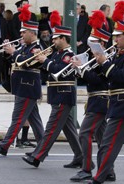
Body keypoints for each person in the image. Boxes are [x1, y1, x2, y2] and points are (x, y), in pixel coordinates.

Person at [76, 0, 124, 184]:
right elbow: (108, 75)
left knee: (107, 145)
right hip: (118, 103)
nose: (115, 39)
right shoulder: (120, 54)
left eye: (118, 36)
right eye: (115, 36)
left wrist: (105, 63)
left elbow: (121, 77)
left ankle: (97, 181)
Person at [23, 21, 83, 168]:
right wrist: (39, 61)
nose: (53, 41)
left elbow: (58, 71)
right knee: (69, 130)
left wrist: (46, 61)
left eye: (56, 38)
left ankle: (38, 156)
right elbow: (49, 71)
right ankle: (80, 157)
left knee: (51, 128)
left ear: (63, 38)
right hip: (57, 94)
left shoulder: (69, 56)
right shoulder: (57, 54)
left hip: (64, 95)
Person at [0, 19, 44, 156]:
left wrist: (14, 52)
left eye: (24, 32)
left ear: (32, 33)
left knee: (17, 118)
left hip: (27, 88)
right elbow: (15, 61)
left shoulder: (37, 48)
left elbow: (25, 62)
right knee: (35, 120)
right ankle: (43, 146)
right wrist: (9, 51)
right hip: (23, 87)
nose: (22, 35)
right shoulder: (26, 46)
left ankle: (4, 146)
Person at [70, 11, 114, 182]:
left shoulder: (106, 59)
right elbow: (88, 78)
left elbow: (97, 80)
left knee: (85, 133)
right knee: (103, 138)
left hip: (101, 99)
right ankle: (108, 170)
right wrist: (78, 69)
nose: (91, 47)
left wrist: (84, 69)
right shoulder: (95, 59)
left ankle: (87, 169)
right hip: (94, 99)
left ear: (102, 43)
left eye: (94, 43)